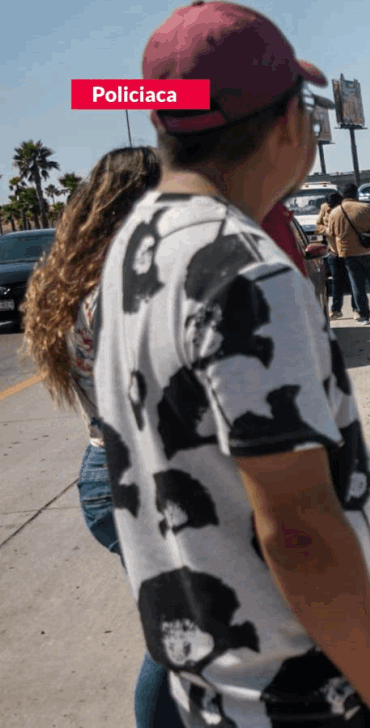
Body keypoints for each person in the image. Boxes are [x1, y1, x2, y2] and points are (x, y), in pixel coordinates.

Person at [95, 3, 370, 726]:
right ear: (288, 125)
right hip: (309, 696)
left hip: (218, 690)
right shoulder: (247, 273)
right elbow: (298, 526)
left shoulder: (133, 252)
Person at [23, 147, 183, 728]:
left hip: (116, 470)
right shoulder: (120, 289)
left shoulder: (78, 282)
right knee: (180, 632)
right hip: (139, 477)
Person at [329, 182, 370, 324]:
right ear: (356, 194)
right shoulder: (366, 208)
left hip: (348, 254)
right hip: (369, 251)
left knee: (357, 285)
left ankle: (364, 316)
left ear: (342, 196)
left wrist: (337, 248)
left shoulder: (334, 212)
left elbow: (330, 233)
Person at [319, 191, 358, 319]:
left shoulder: (346, 211)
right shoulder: (325, 210)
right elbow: (319, 226)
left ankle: (356, 309)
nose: (331, 209)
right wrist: (328, 229)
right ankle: (336, 310)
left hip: (348, 251)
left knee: (353, 281)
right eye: (329, 206)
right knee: (337, 283)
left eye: (333, 207)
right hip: (334, 253)